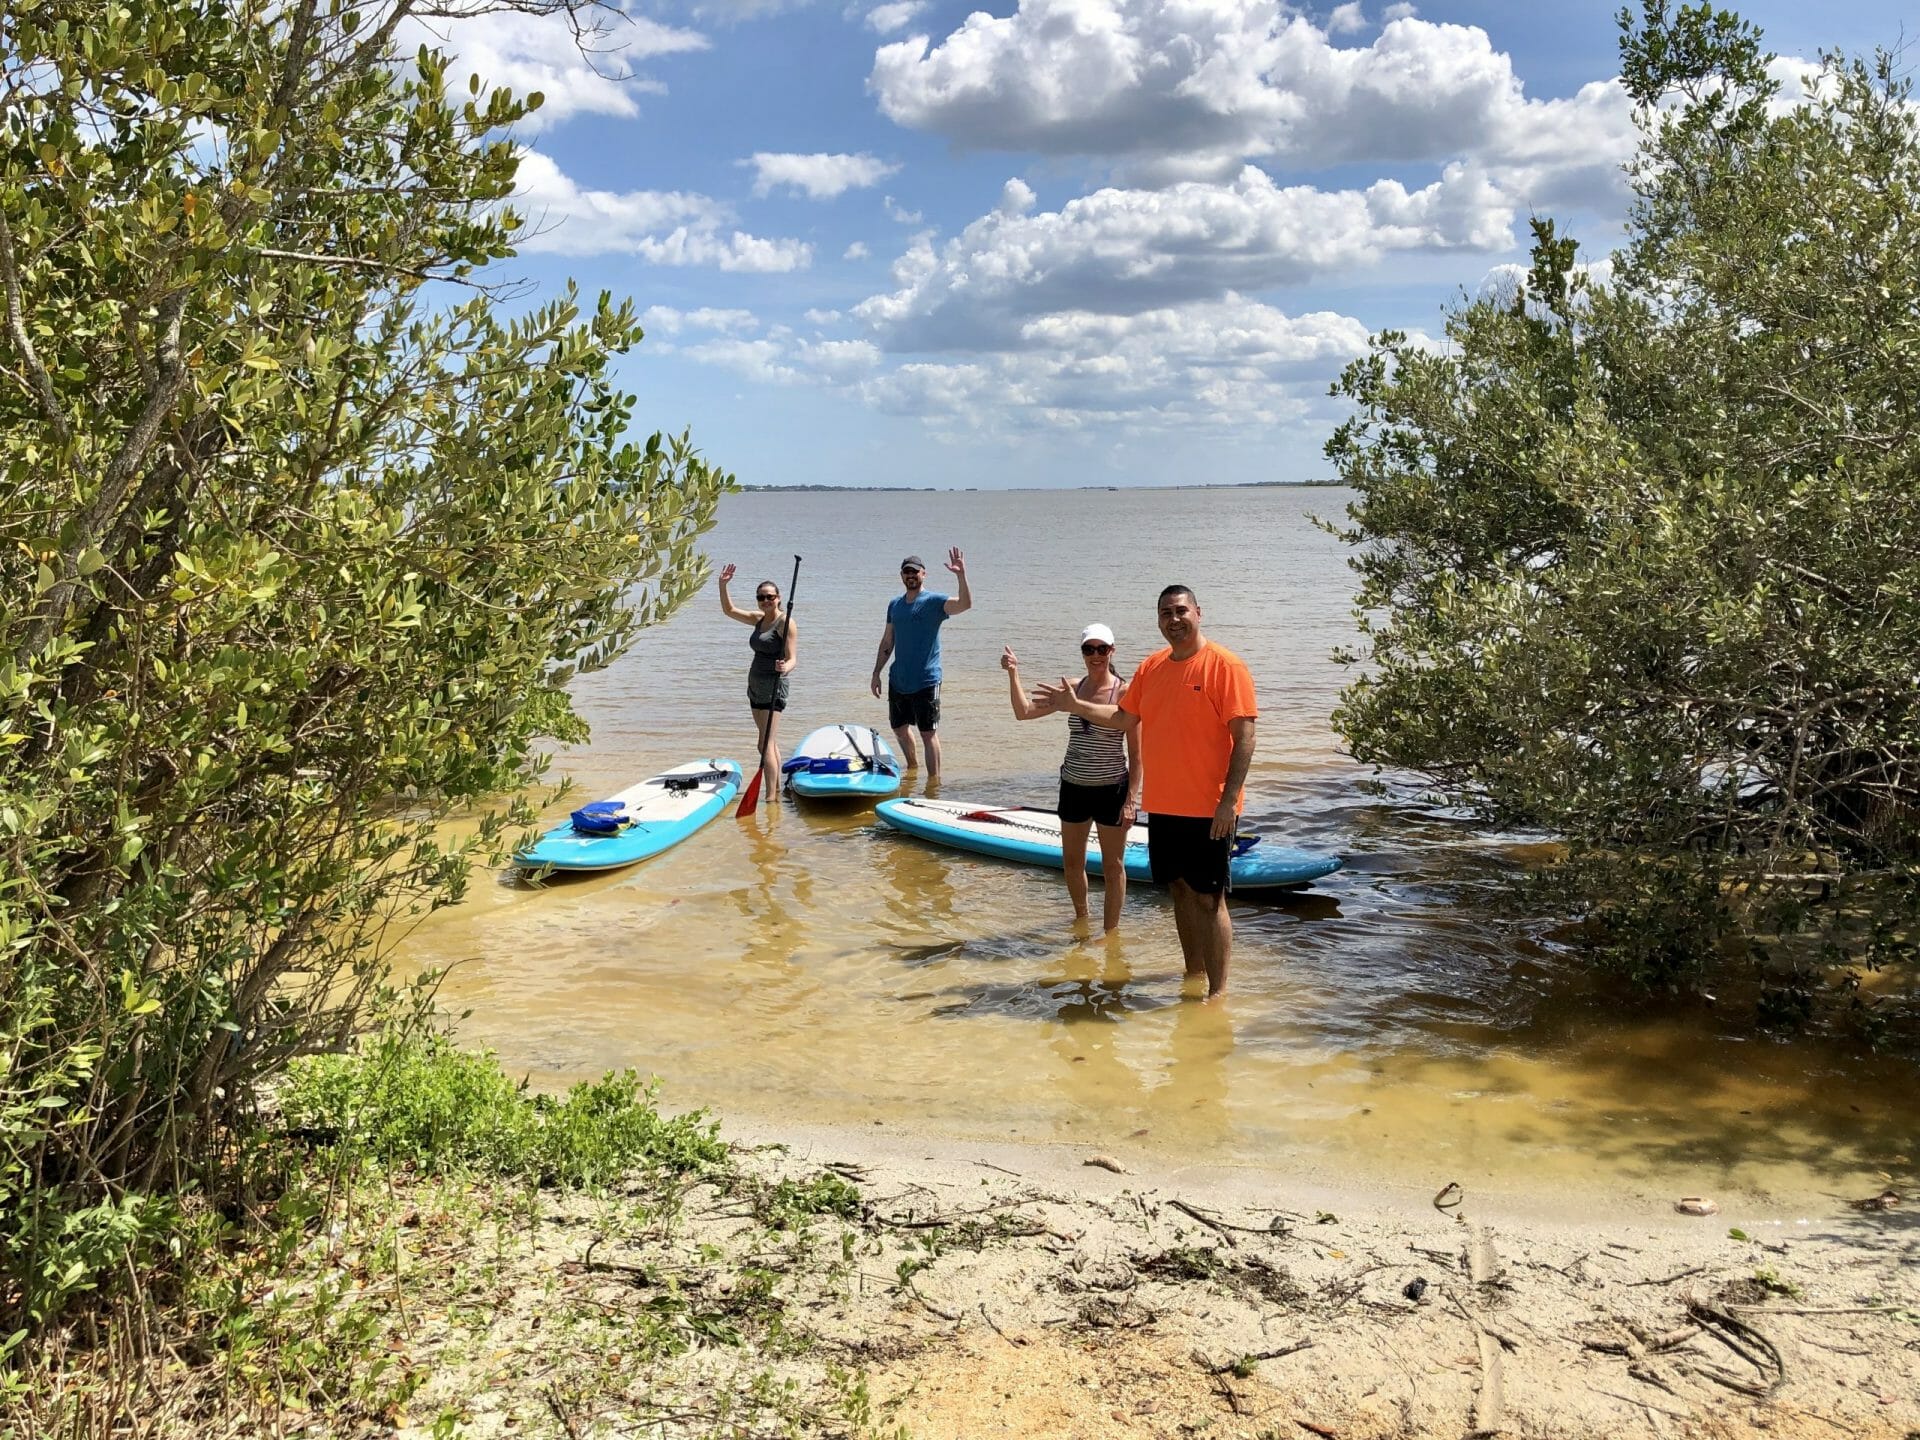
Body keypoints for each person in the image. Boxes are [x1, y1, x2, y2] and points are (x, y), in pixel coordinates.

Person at [1034, 586, 1256, 999]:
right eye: (1166, 613)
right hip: (1166, 806)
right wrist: (1076, 705)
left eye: (1181, 610)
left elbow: (1245, 736)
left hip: (1210, 808)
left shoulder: (1225, 666)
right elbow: (1122, 717)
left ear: (1198, 613)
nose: (1174, 619)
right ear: (1158, 619)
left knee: (1210, 901)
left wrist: (1229, 800)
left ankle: (1218, 994)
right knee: (1181, 892)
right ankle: (1193, 978)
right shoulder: (1152, 667)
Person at [1001, 625, 1142, 932]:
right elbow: (1023, 712)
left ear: (1112, 651)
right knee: (1072, 863)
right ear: (1082, 653)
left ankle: (1110, 933)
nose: (1095, 655)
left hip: (1112, 789)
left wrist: (1132, 800)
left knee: (1112, 866)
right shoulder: (1072, 689)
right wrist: (1013, 673)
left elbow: (1137, 754)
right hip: (1074, 787)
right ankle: (1081, 921)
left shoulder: (1126, 691)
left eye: (1101, 649)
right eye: (1088, 649)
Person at [870, 548, 971, 777]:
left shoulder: (934, 602)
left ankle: (933, 784)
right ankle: (913, 769)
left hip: (926, 680)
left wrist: (961, 575)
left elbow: (965, 604)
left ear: (923, 574)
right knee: (898, 728)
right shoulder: (894, 605)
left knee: (928, 733)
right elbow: (888, 641)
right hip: (898, 679)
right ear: (902, 576)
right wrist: (876, 673)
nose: (910, 575)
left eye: (915, 571)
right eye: (907, 572)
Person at [717, 563, 797, 799]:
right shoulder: (758, 619)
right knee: (768, 742)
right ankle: (778, 789)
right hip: (756, 686)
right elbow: (729, 610)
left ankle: (770, 797)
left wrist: (785, 667)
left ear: (778, 598)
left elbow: (794, 659)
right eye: (761, 597)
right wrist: (723, 585)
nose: (765, 601)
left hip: (774, 687)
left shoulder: (786, 623)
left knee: (764, 744)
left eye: (770, 597)